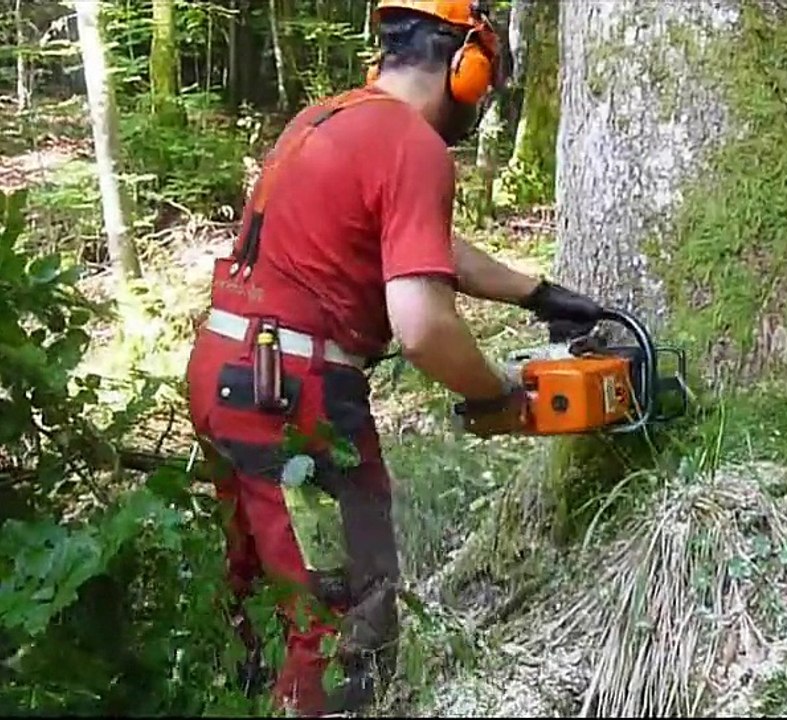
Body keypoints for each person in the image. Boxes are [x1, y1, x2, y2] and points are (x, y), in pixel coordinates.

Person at [183, 1, 602, 715]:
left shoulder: (327, 119)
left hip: (226, 372)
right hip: (295, 397)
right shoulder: (412, 144)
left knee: (259, 601)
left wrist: (537, 293)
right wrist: (497, 391)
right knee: (345, 623)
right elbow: (423, 326)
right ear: (465, 66)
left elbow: (420, 241)